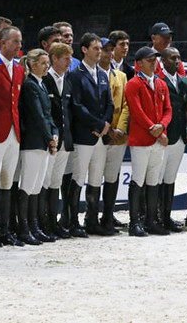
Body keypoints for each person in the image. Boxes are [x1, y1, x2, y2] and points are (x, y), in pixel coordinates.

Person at [122, 46, 172, 236]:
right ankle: (134, 222)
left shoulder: (161, 84)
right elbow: (137, 112)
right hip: (142, 140)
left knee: (153, 181)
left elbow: (168, 110)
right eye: (150, 59)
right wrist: (157, 130)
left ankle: (151, 220)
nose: (154, 62)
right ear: (139, 63)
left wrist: (162, 126)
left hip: (158, 139)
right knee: (138, 180)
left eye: (155, 59)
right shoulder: (133, 84)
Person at [68, 33, 114, 236]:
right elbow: (77, 106)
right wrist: (97, 124)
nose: (100, 52)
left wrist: (105, 125)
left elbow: (110, 104)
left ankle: (92, 220)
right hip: (84, 135)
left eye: (100, 48)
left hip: (101, 136)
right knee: (78, 178)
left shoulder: (103, 75)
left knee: (96, 178)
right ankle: (72, 221)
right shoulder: (75, 75)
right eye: (96, 48)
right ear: (85, 49)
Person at [0, 25, 25, 246]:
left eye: (20, 42)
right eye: (16, 42)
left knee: (7, 181)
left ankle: (5, 229)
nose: (20, 45)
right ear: (3, 44)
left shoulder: (19, 68)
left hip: (13, 131)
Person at [18, 49, 58, 244]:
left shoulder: (42, 85)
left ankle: (34, 226)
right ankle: (24, 228)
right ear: (33, 65)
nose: (46, 67)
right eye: (42, 63)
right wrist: (50, 137)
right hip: (33, 140)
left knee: (36, 186)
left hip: (43, 140)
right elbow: (37, 115)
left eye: (47, 63)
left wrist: (55, 133)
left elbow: (49, 114)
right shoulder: (30, 85)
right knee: (28, 184)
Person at [41, 43, 77, 238]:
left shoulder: (68, 81)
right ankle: (42, 222)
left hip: (65, 140)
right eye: (66, 58)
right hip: (50, 140)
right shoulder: (45, 80)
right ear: (54, 58)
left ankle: (53, 223)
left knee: (56, 182)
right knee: (45, 182)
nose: (69, 62)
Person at [157, 47, 187, 232]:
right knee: (158, 178)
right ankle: (155, 217)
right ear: (163, 61)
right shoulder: (159, 81)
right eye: (173, 58)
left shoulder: (184, 81)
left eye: (179, 58)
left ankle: (167, 216)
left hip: (179, 136)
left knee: (170, 178)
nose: (176, 61)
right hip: (164, 136)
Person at [99, 37, 127, 235]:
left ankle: (108, 216)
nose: (108, 53)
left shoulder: (121, 76)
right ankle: (89, 217)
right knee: (92, 178)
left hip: (118, 135)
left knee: (112, 177)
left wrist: (120, 129)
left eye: (110, 50)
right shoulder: (89, 75)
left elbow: (126, 105)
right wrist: (106, 128)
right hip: (98, 134)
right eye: (104, 49)